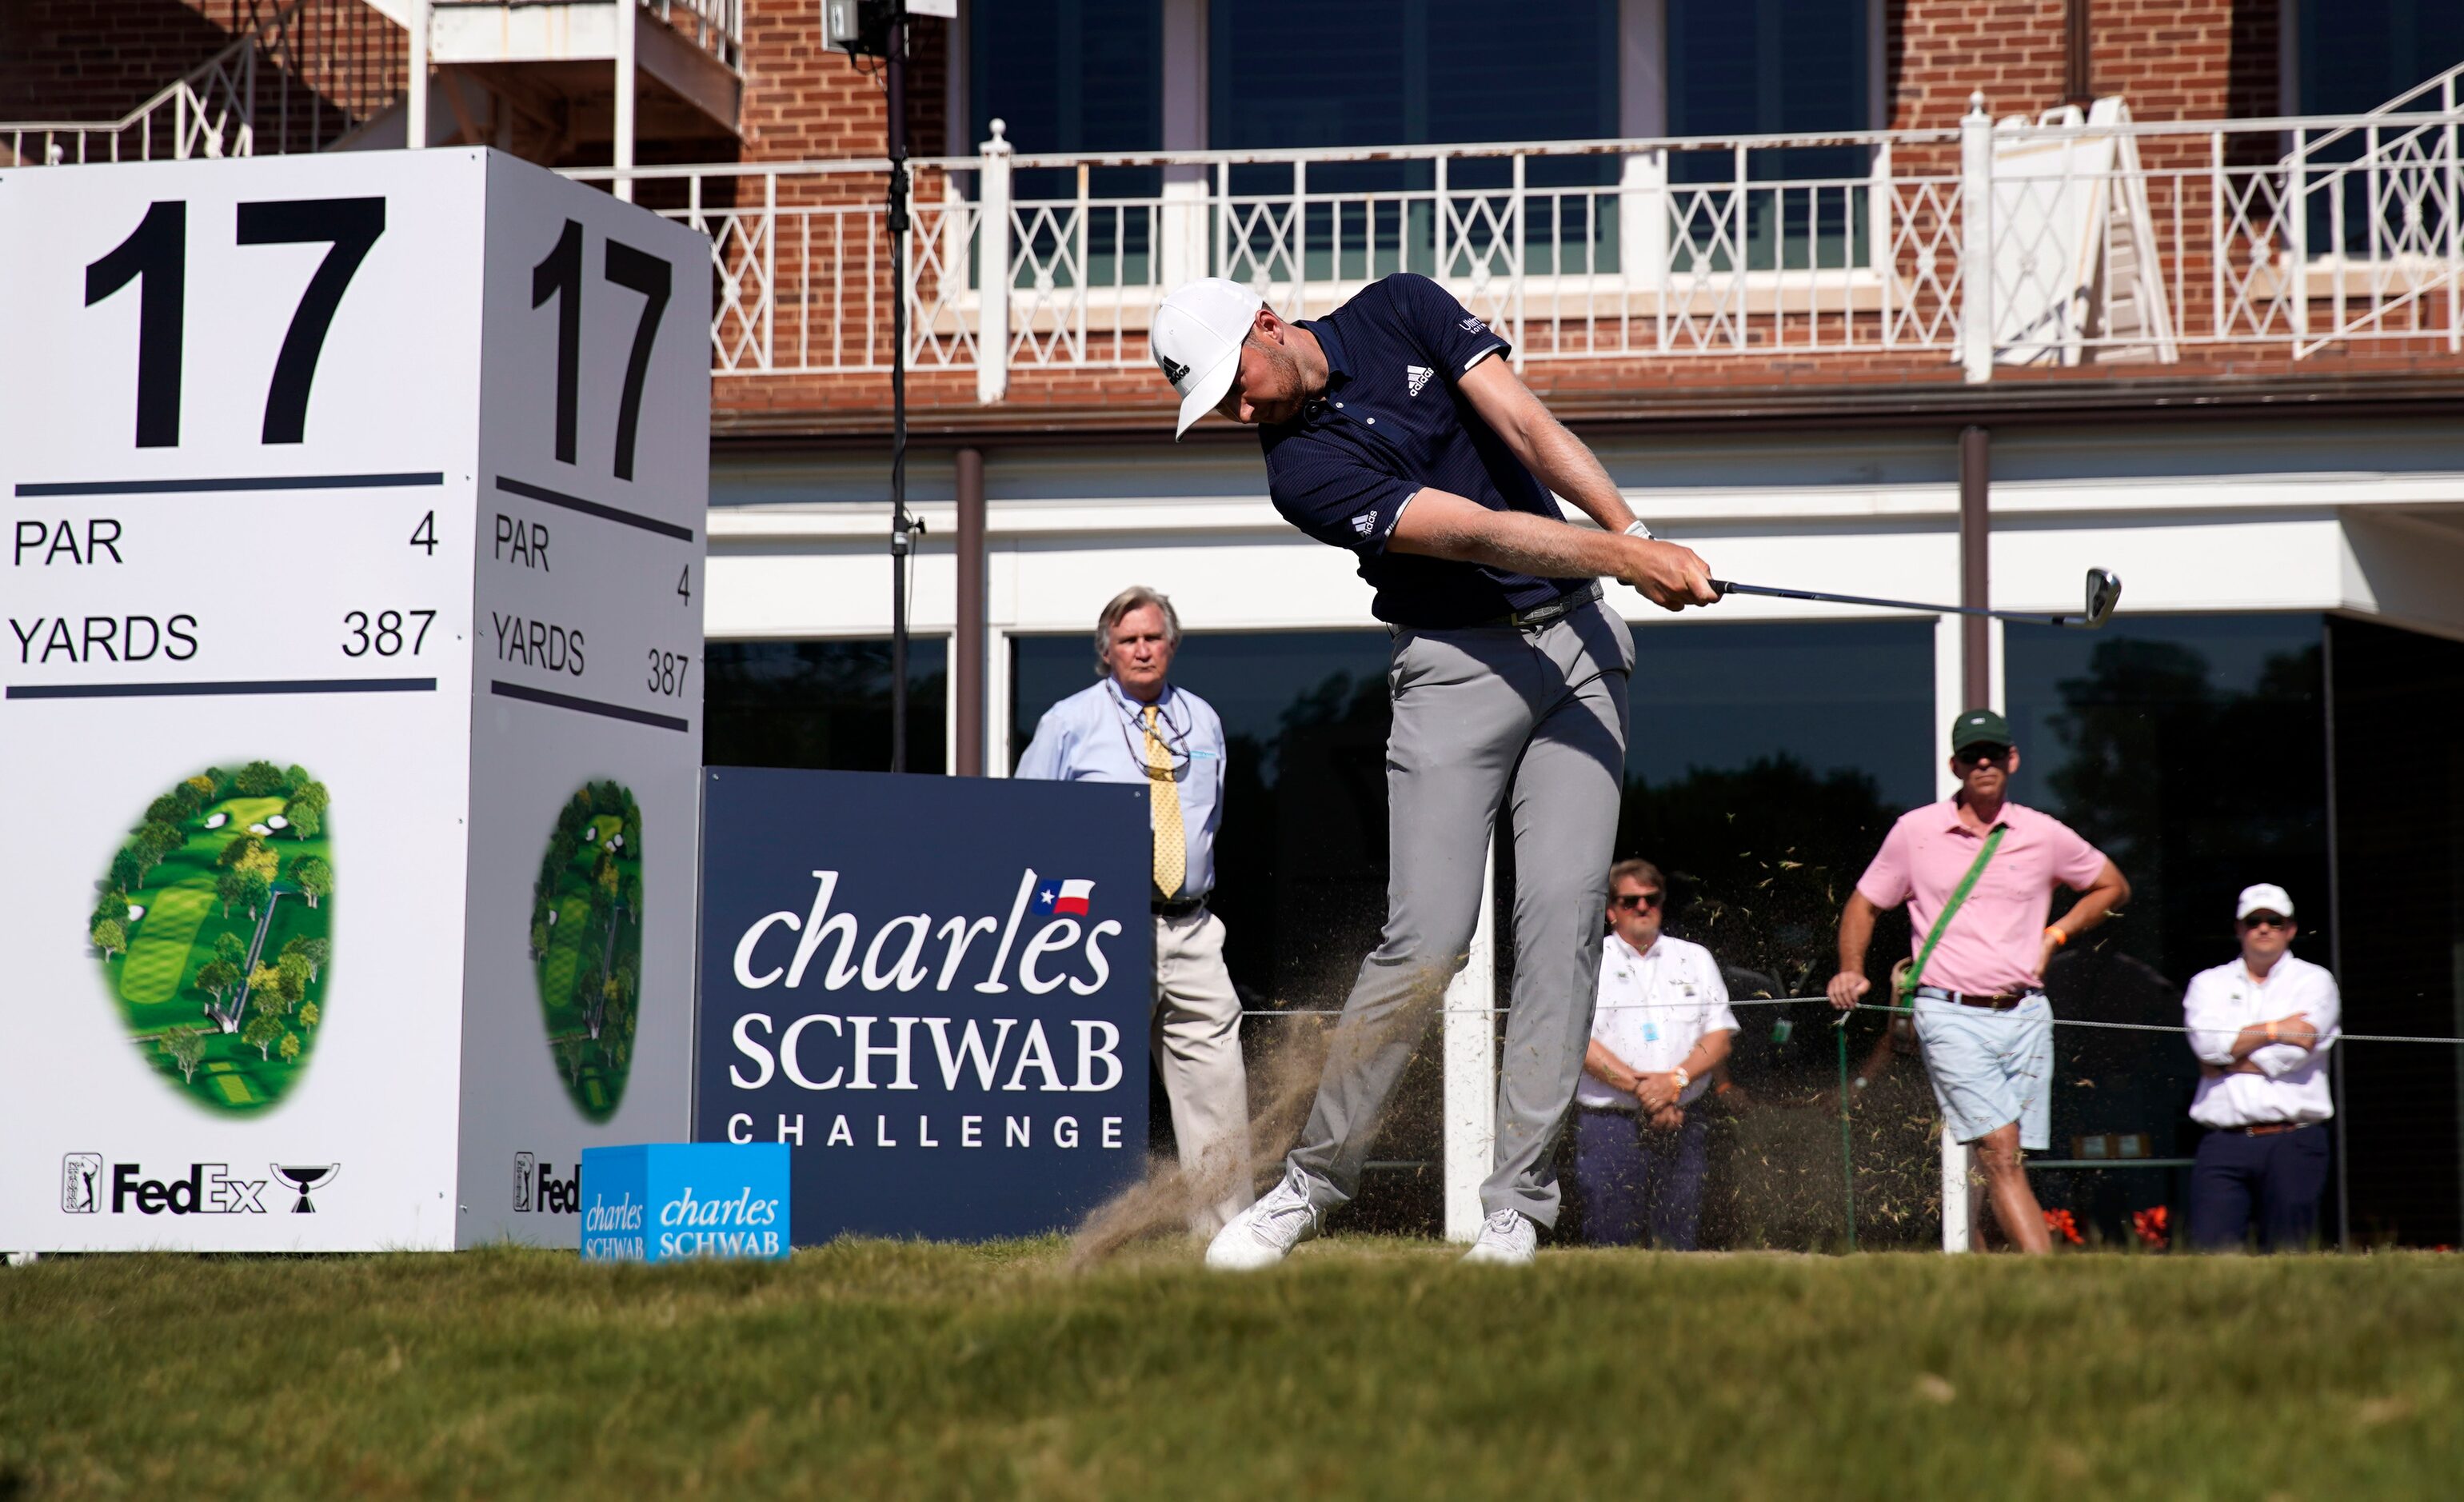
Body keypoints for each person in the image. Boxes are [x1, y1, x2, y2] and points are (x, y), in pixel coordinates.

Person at [1145, 274, 1721, 1269]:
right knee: (1425, 942)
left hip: (1581, 653)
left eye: (1234, 386)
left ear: (1267, 325)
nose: (1241, 412)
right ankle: (1309, 1190)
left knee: (1563, 925)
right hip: (1458, 668)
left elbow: (1526, 426)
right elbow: (1471, 529)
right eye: (1222, 407)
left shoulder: (1400, 307)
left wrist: (1630, 533)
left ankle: (1516, 1211)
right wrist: (1627, 561)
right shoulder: (1300, 475)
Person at [1827, 708, 2131, 1254]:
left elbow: (2111, 886)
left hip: (2027, 1015)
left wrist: (2054, 935)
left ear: (2012, 759)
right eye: (1971, 754)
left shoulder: (2043, 834)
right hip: (1947, 1012)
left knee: (2006, 1159)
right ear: (1955, 765)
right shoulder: (1914, 832)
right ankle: (2050, 1281)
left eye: (1993, 751)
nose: (1983, 762)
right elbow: (1863, 904)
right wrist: (1850, 968)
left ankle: (1991, 1272)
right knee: (1998, 1148)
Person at [1016, 585, 1252, 1234]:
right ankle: (1074, 1228)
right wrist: (1055, 922)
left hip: (1194, 926)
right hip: (1101, 932)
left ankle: (1228, 1238)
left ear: (1170, 645)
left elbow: (1210, 821)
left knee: (1218, 1092)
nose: (1142, 650)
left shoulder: (1201, 720)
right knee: (1092, 1087)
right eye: (1128, 641)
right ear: (1106, 652)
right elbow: (1024, 831)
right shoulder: (1068, 722)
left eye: (1152, 638)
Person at [1573, 859, 1738, 1249]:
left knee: (1679, 1243)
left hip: (1684, 1121)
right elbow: (1576, 1042)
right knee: (1610, 1244)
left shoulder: (1695, 958)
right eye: (1631, 901)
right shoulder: (1587, 962)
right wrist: (1649, 1092)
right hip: (1609, 1126)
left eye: (1652, 899)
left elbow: (1719, 1037)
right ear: (1611, 909)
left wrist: (1674, 1083)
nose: (1643, 908)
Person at [2182, 883, 2339, 1252]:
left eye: (2274, 921)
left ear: (2291, 929)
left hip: (2294, 1139)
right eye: (2254, 921)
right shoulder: (2208, 983)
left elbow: (2300, 1048)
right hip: (2224, 1142)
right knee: (2211, 1259)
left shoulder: (2316, 981)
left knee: (2291, 1258)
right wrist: (2274, 1030)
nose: (2264, 928)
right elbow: (2206, 1045)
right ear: (2239, 928)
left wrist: (2226, 1061)